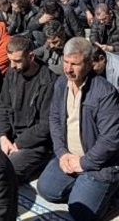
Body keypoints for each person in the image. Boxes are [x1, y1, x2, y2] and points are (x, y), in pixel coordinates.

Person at [36, 36, 119, 220]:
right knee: (46, 190)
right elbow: (55, 119)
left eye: (75, 64)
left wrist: (84, 163)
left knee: (80, 212)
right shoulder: (61, 83)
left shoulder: (105, 93)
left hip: (99, 164)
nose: (68, 69)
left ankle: (108, 194)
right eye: (66, 62)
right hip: (69, 156)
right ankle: (86, 190)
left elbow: (110, 139)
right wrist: (62, 153)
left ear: (89, 64)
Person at [0, 35, 55, 182]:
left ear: (31, 57)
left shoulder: (49, 82)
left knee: (5, 174)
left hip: (35, 144)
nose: (12, 65)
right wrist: (3, 136)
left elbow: (46, 126)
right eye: (10, 60)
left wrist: (19, 144)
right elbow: (4, 107)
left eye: (17, 61)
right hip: (11, 136)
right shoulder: (12, 73)